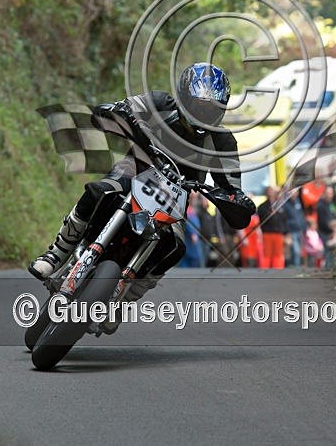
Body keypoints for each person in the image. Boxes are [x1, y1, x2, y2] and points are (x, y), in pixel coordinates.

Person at [28, 62, 256, 332]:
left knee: (176, 247)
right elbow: (126, 106)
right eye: (199, 106)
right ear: (183, 97)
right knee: (99, 191)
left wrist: (235, 200)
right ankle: (56, 254)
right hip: (137, 169)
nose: (204, 113)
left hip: (176, 196)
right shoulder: (160, 102)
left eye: (211, 109)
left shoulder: (223, 142)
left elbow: (231, 184)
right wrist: (117, 110)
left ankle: (124, 300)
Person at [256, 186, 288, 269]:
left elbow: (284, 220)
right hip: (267, 233)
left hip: (278, 233)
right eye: (270, 191)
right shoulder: (262, 206)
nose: (272, 193)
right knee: (267, 253)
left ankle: (278, 269)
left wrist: (286, 233)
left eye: (273, 191)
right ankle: (265, 269)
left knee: (278, 253)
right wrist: (269, 214)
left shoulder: (280, 206)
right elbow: (261, 218)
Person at [281, 188, 307, 267]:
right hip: (291, 231)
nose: (294, 194)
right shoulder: (285, 204)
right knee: (296, 251)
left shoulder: (298, 202)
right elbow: (284, 219)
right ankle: (295, 268)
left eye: (295, 192)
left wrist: (304, 227)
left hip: (299, 230)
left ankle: (295, 266)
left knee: (299, 251)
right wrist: (286, 231)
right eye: (292, 192)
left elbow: (301, 216)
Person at [316, 185, 336, 268]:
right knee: (327, 252)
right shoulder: (320, 205)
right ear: (324, 193)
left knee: (333, 252)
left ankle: (331, 268)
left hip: (332, 231)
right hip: (324, 232)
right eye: (328, 193)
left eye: (331, 193)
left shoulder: (331, 203)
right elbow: (323, 221)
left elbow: (335, 215)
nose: (330, 195)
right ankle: (328, 269)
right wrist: (332, 228)